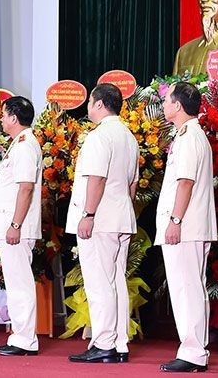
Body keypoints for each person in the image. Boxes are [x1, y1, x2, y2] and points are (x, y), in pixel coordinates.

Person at [66, 83, 139, 364]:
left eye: (90, 102)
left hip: (100, 219)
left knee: (99, 282)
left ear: (98, 104)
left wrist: (89, 214)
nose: (88, 108)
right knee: (116, 280)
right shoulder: (128, 136)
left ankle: (104, 342)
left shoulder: (100, 136)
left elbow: (96, 178)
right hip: (120, 216)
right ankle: (119, 342)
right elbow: (132, 184)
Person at [157, 82, 216, 373]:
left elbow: (185, 182)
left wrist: (175, 220)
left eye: (167, 101)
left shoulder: (191, 137)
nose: (164, 105)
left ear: (178, 106)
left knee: (187, 287)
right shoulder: (186, 135)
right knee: (186, 287)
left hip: (186, 225)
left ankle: (193, 351)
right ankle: (192, 348)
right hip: (187, 225)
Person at [0, 96, 43, 356]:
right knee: (15, 280)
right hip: (11, 224)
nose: (2, 119)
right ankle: (20, 335)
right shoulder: (18, 144)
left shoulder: (24, 145)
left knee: (20, 282)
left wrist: (15, 224)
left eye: (5, 114)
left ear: (13, 117)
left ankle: (25, 339)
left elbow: (25, 188)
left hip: (16, 226)